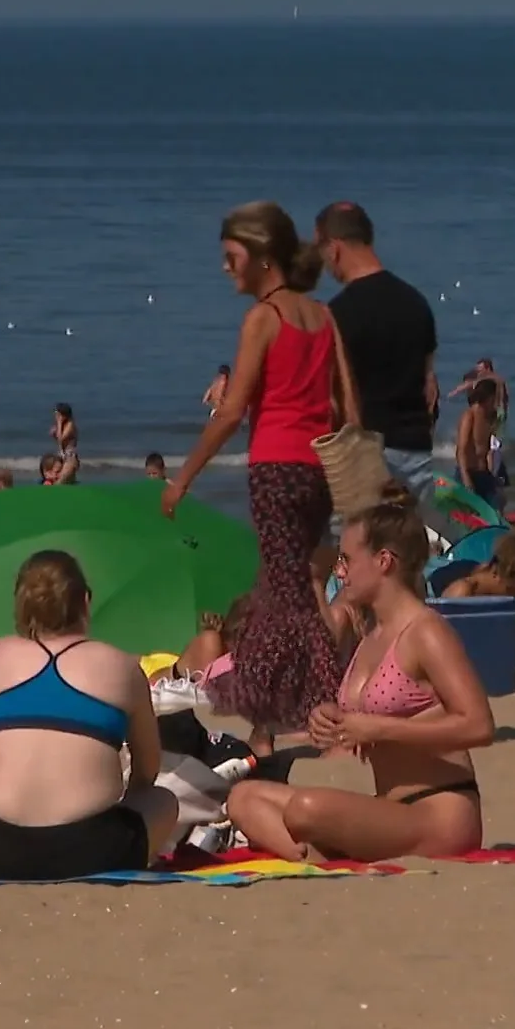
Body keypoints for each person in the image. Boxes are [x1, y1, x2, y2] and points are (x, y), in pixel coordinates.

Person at [163, 201, 360, 754]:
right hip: (317, 472)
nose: (227, 268)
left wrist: (183, 480)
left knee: (290, 599)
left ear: (263, 258)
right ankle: (266, 728)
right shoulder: (324, 318)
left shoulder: (263, 319)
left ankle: (322, 713)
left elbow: (230, 412)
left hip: (275, 471)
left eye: (232, 257)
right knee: (285, 590)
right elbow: (350, 408)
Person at [227, 484, 495, 861]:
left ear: (383, 561)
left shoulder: (426, 631)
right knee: (243, 796)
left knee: (305, 807)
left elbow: (479, 726)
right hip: (390, 809)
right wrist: (331, 720)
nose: (341, 570)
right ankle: (311, 856)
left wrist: (378, 729)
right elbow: (369, 717)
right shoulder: (371, 634)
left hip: (440, 811)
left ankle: (313, 853)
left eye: (347, 560)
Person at [0, 551, 179, 880]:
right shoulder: (122, 666)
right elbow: (147, 769)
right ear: (85, 600)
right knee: (163, 801)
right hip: (90, 854)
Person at [316, 202, 439, 501]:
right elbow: (429, 389)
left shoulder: (337, 313)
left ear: (334, 248)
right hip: (416, 451)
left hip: (366, 456)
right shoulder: (416, 303)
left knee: (355, 545)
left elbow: (334, 398)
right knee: (409, 544)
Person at [439, 531, 515, 599]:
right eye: (510, 589)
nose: (512, 596)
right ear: (496, 572)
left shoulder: (508, 597)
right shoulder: (462, 592)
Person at [455, 379, 503, 510]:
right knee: (468, 515)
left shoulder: (489, 417)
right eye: (495, 397)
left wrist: (493, 475)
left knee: (494, 509)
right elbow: (461, 450)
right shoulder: (469, 416)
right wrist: (465, 477)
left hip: (484, 474)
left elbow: (487, 450)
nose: (497, 401)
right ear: (489, 397)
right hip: (468, 473)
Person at [50, 402, 80, 483]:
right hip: (61, 455)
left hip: (70, 455)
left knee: (62, 481)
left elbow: (61, 438)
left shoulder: (70, 424)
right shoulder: (62, 424)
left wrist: (59, 423)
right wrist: (57, 426)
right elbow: (52, 434)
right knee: (68, 482)